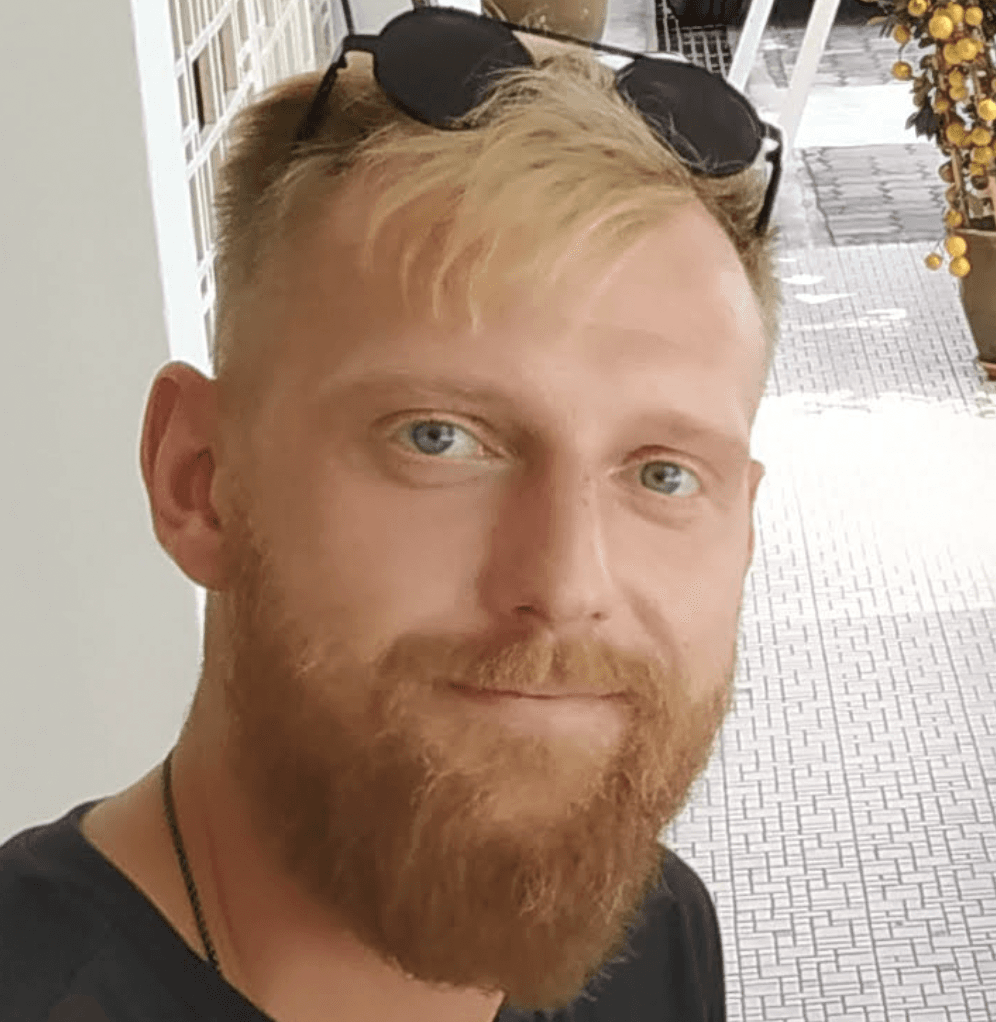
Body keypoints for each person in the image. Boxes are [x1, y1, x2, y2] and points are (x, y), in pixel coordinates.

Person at [1, 8, 782, 1022]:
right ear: (200, 478)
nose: (566, 585)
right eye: (437, 437)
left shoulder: (657, 939)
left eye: (664, 474)